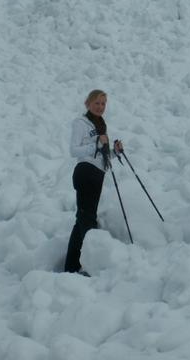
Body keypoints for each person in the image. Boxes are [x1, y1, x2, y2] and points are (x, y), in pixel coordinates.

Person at [64, 89, 122, 274]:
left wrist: (115, 152)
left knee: (82, 219)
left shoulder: (100, 126)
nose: (100, 107)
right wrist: (96, 143)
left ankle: (71, 267)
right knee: (87, 220)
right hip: (85, 173)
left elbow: (100, 156)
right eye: (97, 103)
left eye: (103, 103)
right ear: (87, 104)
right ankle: (89, 265)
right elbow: (74, 150)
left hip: (97, 174)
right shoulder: (80, 123)